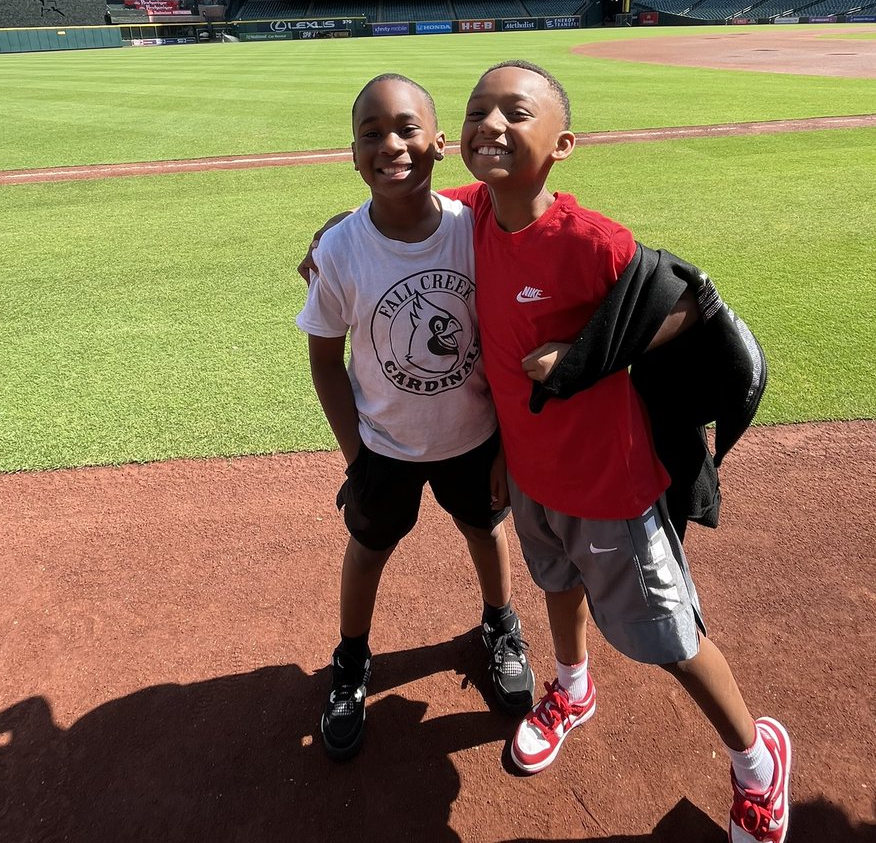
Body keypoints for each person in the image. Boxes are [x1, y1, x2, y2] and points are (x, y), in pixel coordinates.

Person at [438, 59, 791, 843]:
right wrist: (340, 228)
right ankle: (572, 688)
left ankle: (757, 759)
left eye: (515, 112)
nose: (491, 124)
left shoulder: (590, 239)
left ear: (562, 144)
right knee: (555, 588)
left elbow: (687, 302)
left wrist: (587, 352)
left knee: (671, 641)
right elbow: (416, 207)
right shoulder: (475, 216)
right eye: (476, 111)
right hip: (532, 477)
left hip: (609, 486)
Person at [295, 73, 534, 762]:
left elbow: (507, 339)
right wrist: (356, 457)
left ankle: (499, 625)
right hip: (384, 447)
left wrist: (508, 446)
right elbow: (324, 360)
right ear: (353, 152)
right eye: (371, 133)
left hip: (474, 435)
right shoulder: (340, 250)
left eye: (405, 129)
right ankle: (350, 659)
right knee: (368, 548)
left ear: (440, 144)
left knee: (486, 530)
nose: (389, 144)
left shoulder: (475, 229)